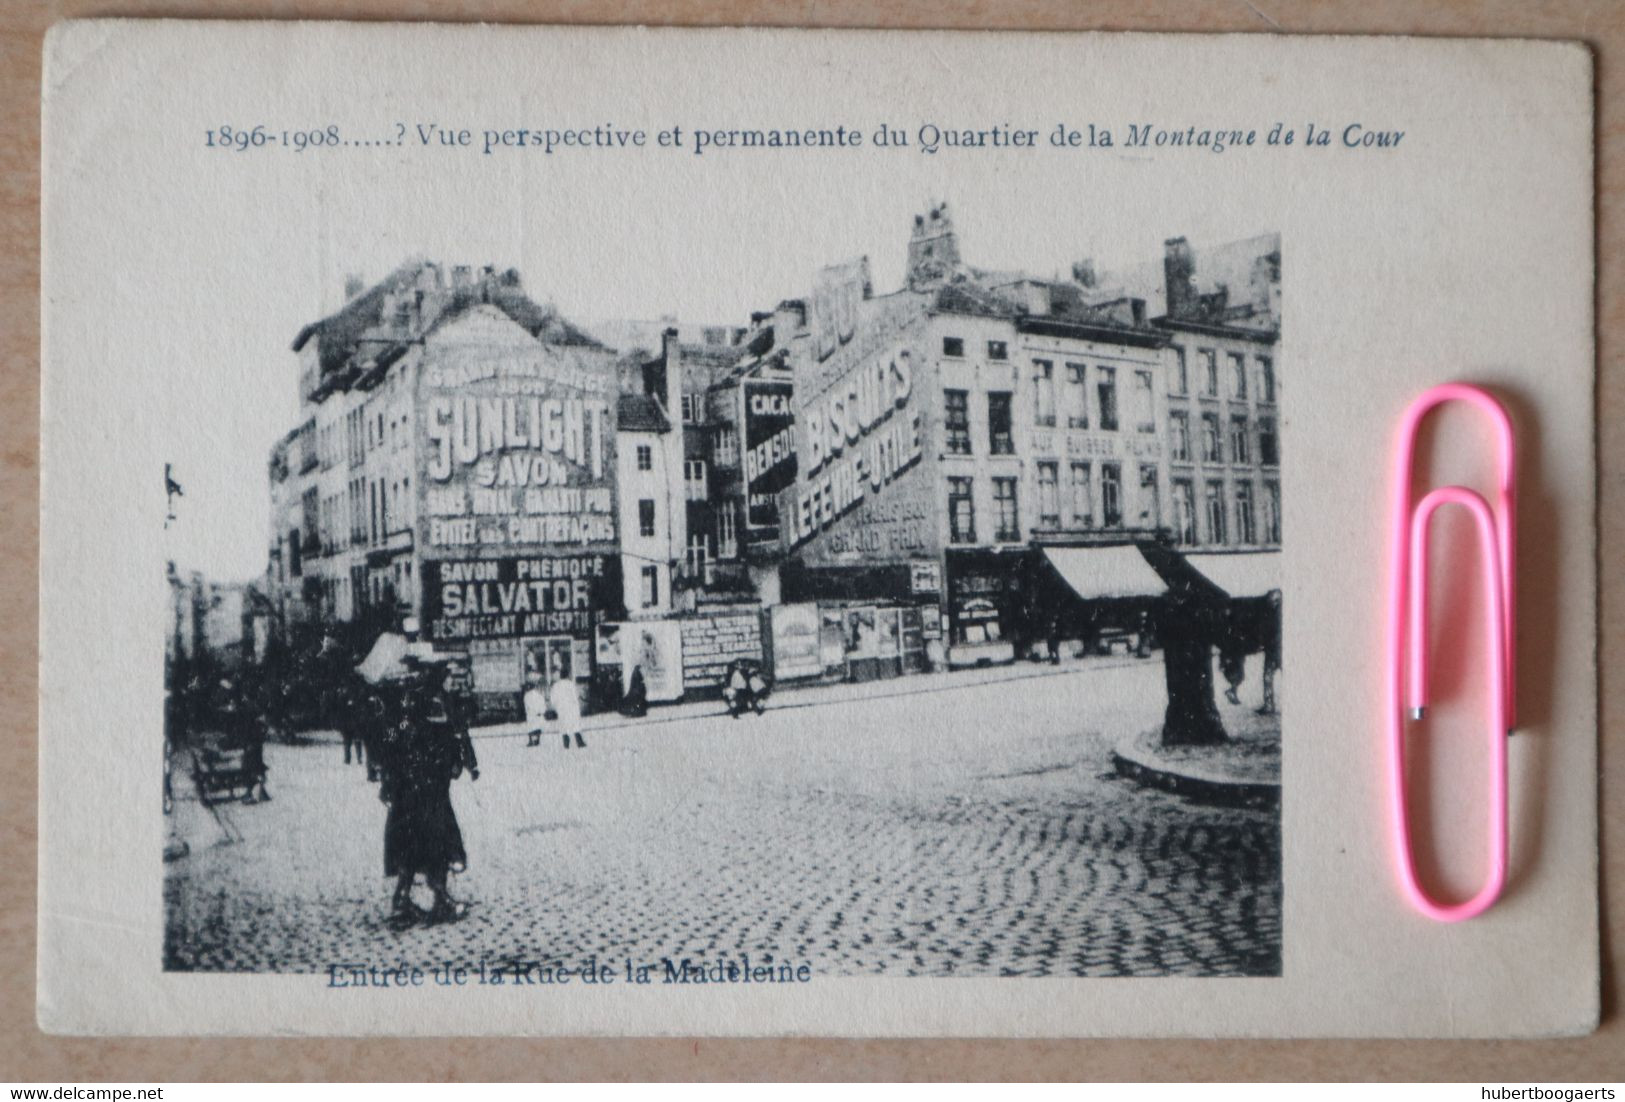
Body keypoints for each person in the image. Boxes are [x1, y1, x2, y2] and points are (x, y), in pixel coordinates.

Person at [380, 659, 472, 927]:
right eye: (446, 676)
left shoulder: (403, 707)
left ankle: (404, 899)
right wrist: (454, 762)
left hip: (408, 789)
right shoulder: (433, 705)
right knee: (435, 841)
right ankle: (437, 899)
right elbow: (445, 740)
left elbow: (390, 747)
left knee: (410, 844)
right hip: (427, 790)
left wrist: (388, 781)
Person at [1258, 589, 1283, 716]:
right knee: (1267, 678)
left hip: (1278, 651)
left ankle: (1269, 706)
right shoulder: (1272, 615)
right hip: (1274, 651)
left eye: (1274, 602)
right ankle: (1268, 705)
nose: (1271, 604)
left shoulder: (1277, 616)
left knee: (1268, 677)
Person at [551, 666, 584, 750]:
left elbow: (553, 699)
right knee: (575, 725)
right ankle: (579, 742)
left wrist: (556, 707)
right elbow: (575, 696)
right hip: (571, 707)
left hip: (561, 708)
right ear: (567, 675)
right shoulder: (570, 684)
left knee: (564, 726)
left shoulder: (556, 685)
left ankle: (566, 743)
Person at [523, 675, 549, 748]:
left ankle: (531, 741)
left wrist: (527, 711)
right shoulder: (539, 695)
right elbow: (543, 704)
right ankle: (537, 740)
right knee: (538, 727)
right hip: (539, 713)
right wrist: (543, 711)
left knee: (530, 728)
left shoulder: (527, 695)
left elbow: (526, 705)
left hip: (531, 714)